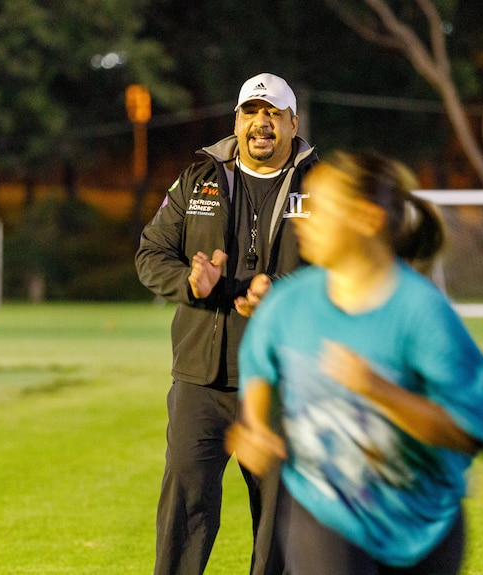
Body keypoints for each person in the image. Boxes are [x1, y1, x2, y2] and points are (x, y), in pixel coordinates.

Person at [226, 150, 483, 575]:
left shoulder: (421, 312)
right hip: (324, 507)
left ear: (368, 220)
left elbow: (468, 431)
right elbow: (259, 363)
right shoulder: (288, 302)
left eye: (318, 208)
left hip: (422, 523)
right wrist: (256, 427)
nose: (301, 218)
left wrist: (380, 391)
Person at [135, 72, 319, 575]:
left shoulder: (322, 187)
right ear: (236, 119)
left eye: (273, 114)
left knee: (281, 522)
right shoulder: (199, 177)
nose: (261, 124)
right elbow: (151, 254)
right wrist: (191, 284)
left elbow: (347, 275)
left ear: (292, 123)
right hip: (202, 380)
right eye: (251, 112)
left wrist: (282, 296)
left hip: (286, 382)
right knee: (185, 514)